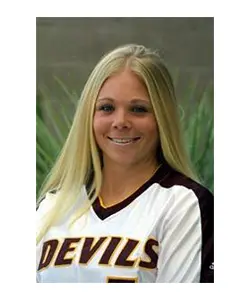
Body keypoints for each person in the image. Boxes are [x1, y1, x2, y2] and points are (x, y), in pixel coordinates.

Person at [36, 44, 214, 283]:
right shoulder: (52, 206)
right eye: (106, 108)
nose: (120, 121)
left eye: (138, 109)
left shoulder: (183, 204)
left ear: (163, 118)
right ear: (88, 116)